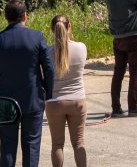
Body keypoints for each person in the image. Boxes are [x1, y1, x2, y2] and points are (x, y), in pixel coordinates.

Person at [0, 0, 54, 167]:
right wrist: (48, 93)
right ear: (25, 16)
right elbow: (49, 68)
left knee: (7, 147)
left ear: (6, 17)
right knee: (31, 145)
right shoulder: (36, 37)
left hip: (4, 102)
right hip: (32, 98)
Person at [45, 15, 88, 167]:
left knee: (57, 144)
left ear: (52, 30)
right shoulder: (81, 48)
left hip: (54, 101)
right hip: (77, 100)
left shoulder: (47, 53)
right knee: (79, 142)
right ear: (69, 26)